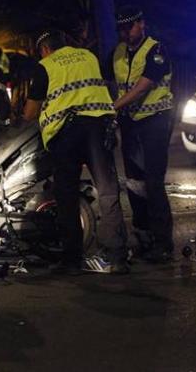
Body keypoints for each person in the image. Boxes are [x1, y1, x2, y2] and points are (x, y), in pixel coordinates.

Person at [23, 29, 129, 275]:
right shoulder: (88, 56)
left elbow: (30, 113)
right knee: (107, 190)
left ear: (45, 49)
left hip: (67, 133)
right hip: (98, 127)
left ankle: (72, 260)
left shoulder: (45, 66)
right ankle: (117, 257)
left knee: (67, 196)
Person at [110, 6, 175, 263]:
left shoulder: (156, 50)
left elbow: (142, 87)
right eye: (122, 29)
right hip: (130, 122)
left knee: (153, 182)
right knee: (134, 182)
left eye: (130, 27)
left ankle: (163, 242)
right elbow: (108, 82)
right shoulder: (117, 53)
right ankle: (143, 236)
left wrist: (112, 107)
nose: (126, 33)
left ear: (142, 24)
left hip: (155, 121)